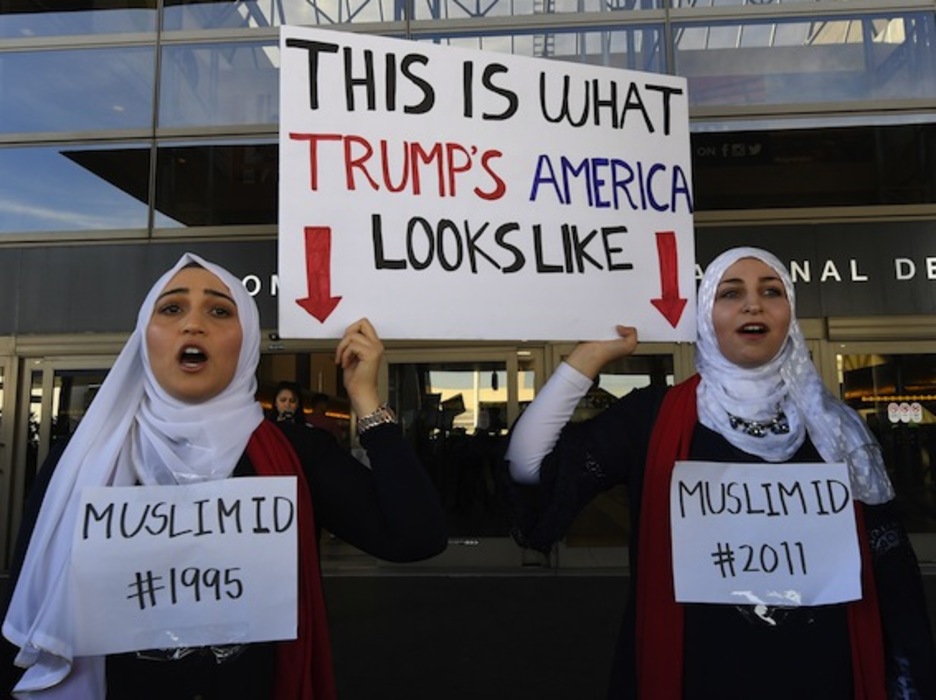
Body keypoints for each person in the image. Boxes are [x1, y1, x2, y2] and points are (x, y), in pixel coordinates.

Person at [1, 253, 447, 699]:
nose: (193, 325)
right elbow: (29, 614)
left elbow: (415, 536)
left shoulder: (297, 453)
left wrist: (366, 399)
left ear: (247, 338)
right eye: (172, 308)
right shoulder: (78, 461)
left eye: (219, 310)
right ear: (144, 336)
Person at [505, 247, 936, 699]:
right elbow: (529, 466)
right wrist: (590, 357)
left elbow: (892, 578)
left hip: (824, 669)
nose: (754, 304)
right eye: (730, 293)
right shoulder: (653, 417)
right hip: (699, 669)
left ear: (790, 312)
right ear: (705, 315)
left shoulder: (838, 428)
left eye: (771, 291)